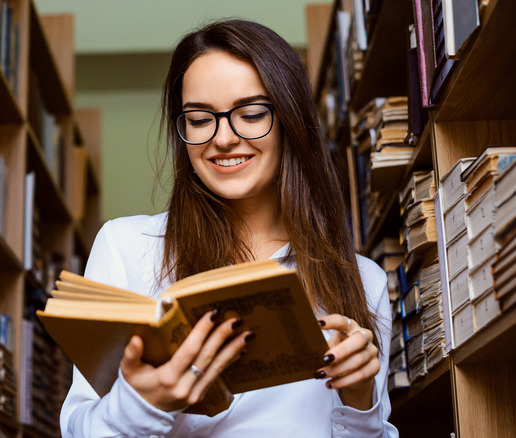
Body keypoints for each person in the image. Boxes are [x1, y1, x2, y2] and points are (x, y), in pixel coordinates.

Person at [59, 19, 398, 437]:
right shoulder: (126, 246)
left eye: (251, 114)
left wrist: (360, 399)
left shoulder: (364, 280)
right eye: (200, 119)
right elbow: (78, 429)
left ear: (290, 120)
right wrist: (142, 404)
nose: (223, 138)